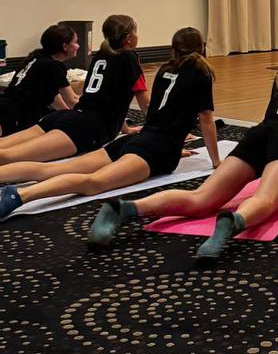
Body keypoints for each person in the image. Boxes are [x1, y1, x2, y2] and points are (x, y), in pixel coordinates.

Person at [86, 23, 278, 265]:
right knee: (265, 199)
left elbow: (270, 116)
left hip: (259, 135)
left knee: (201, 198)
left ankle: (126, 208)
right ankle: (234, 221)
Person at [0, 28, 217, 221]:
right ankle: (20, 195)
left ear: (173, 49)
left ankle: (17, 192)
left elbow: (155, 110)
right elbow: (206, 120)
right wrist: (215, 161)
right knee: (93, 182)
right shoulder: (201, 73)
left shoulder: (164, 69)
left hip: (135, 139)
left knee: (53, 169)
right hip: (155, 148)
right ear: (202, 48)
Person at [0, 15, 147, 174]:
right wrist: (155, 130)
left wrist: (125, 128)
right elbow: (144, 102)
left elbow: (107, 98)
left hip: (64, 116)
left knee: (5, 149)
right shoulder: (129, 58)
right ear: (129, 38)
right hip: (86, 126)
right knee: (8, 157)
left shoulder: (100, 55)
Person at [0, 24, 79, 136]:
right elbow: (72, 99)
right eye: (75, 42)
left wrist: (67, 116)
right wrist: (85, 117)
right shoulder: (54, 66)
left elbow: (53, 98)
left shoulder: (36, 57)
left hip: (8, 108)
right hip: (18, 114)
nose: (78, 46)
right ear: (65, 46)